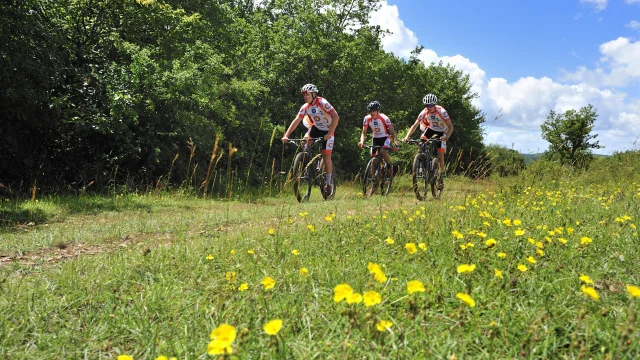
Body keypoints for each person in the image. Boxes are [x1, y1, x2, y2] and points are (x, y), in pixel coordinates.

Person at [282, 84, 339, 197]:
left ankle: (328, 184)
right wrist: (286, 135)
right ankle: (307, 162)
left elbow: (336, 117)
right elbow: (297, 120)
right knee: (304, 143)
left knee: (326, 156)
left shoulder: (322, 102)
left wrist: (329, 133)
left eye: (307, 94)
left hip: (328, 130)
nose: (305, 96)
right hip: (316, 128)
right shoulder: (305, 107)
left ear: (313, 94)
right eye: (303, 95)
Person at [402, 93, 454, 188]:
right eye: (427, 105)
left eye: (430, 105)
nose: (428, 107)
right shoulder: (424, 112)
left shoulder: (442, 111)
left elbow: (451, 127)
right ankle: (421, 161)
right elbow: (414, 125)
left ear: (434, 105)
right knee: (420, 142)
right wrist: (406, 137)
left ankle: (441, 179)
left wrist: (446, 137)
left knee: (440, 156)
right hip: (431, 129)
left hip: (443, 131)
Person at [358, 101, 398, 177]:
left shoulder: (384, 118)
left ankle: (389, 166)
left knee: (383, 151)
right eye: (370, 111)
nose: (372, 113)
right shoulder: (367, 118)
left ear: (378, 111)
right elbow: (364, 133)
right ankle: (374, 181)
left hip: (385, 137)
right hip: (375, 138)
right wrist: (361, 141)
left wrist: (396, 144)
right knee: (373, 159)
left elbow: (393, 132)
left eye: (373, 111)